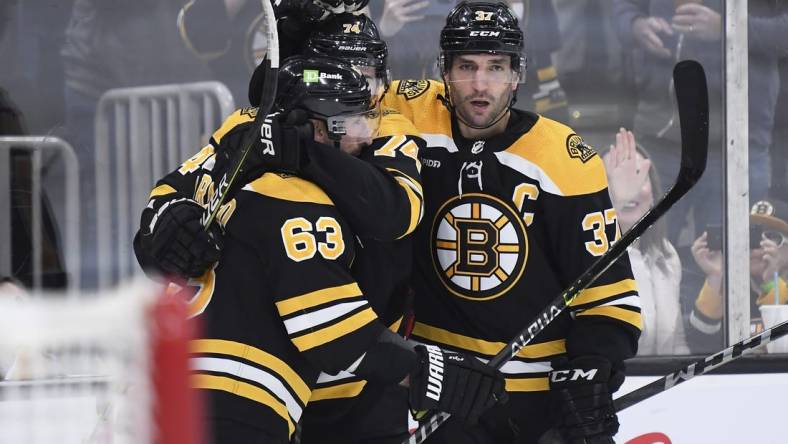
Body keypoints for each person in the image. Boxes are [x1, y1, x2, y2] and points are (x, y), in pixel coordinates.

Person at [249, 2, 642, 442]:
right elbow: (307, 94)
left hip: (542, 395)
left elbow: (611, 300)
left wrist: (593, 370)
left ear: (518, 74)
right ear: (444, 71)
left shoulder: (564, 159)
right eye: (466, 66)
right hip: (451, 394)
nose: (480, 84)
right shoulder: (407, 109)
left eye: (496, 68)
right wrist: (295, 32)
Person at [134, 55, 507, 443]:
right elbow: (330, 332)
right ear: (314, 129)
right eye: (352, 123)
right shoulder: (297, 198)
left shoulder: (232, 186)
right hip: (236, 396)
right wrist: (432, 371)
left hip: (168, 395)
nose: (365, 138)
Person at [603, 128, 689, 356]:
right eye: (614, 179)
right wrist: (618, 202)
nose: (630, 190)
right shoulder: (583, 251)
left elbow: (677, 342)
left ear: (653, 193)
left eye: (639, 178)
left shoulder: (667, 254)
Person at [689, 197, 788, 352]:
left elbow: (781, 345)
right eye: (751, 235)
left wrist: (770, 283)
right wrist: (715, 277)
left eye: (772, 237)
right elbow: (699, 347)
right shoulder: (729, 290)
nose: (757, 246)